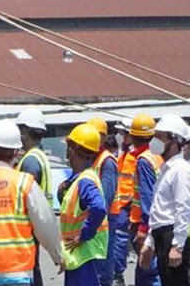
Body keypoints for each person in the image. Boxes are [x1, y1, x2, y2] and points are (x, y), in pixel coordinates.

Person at [0, 121, 62, 286]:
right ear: (15, 151)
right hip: (19, 273)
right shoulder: (24, 183)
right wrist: (58, 256)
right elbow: (45, 222)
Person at [139, 117, 190, 286]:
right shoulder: (166, 169)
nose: (155, 141)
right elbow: (159, 210)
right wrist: (150, 242)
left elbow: (183, 208)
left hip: (172, 236)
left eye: (160, 136)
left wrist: (178, 246)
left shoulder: (180, 170)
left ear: (175, 141)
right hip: (161, 236)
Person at [60, 124, 110, 286]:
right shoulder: (80, 179)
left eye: (68, 147)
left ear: (73, 150)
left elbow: (99, 207)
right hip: (79, 255)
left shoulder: (85, 181)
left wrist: (83, 235)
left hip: (85, 254)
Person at [17, 108, 53, 286]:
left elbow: (26, 195)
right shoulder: (39, 155)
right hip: (38, 221)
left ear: (25, 132)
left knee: (30, 267)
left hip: (29, 223)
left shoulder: (30, 161)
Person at [85, 117, 120, 286]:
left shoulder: (107, 161)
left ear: (104, 138)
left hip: (106, 217)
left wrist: (95, 218)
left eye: (97, 135)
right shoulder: (92, 158)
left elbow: (106, 196)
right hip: (97, 216)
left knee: (103, 260)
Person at [130, 115, 164, 286]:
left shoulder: (143, 160)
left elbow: (147, 197)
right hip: (159, 221)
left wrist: (144, 228)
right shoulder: (158, 156)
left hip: (146, 223)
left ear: (133, 137)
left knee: (148, 272)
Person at [113, 124, 139, 286]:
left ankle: (117, 275)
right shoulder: (125, 154)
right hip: (124, 204)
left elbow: (131, 184)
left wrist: (125, 204)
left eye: (121, 133)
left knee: (121, 240)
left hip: (127, 205)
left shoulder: (132, 157)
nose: (118, 135)